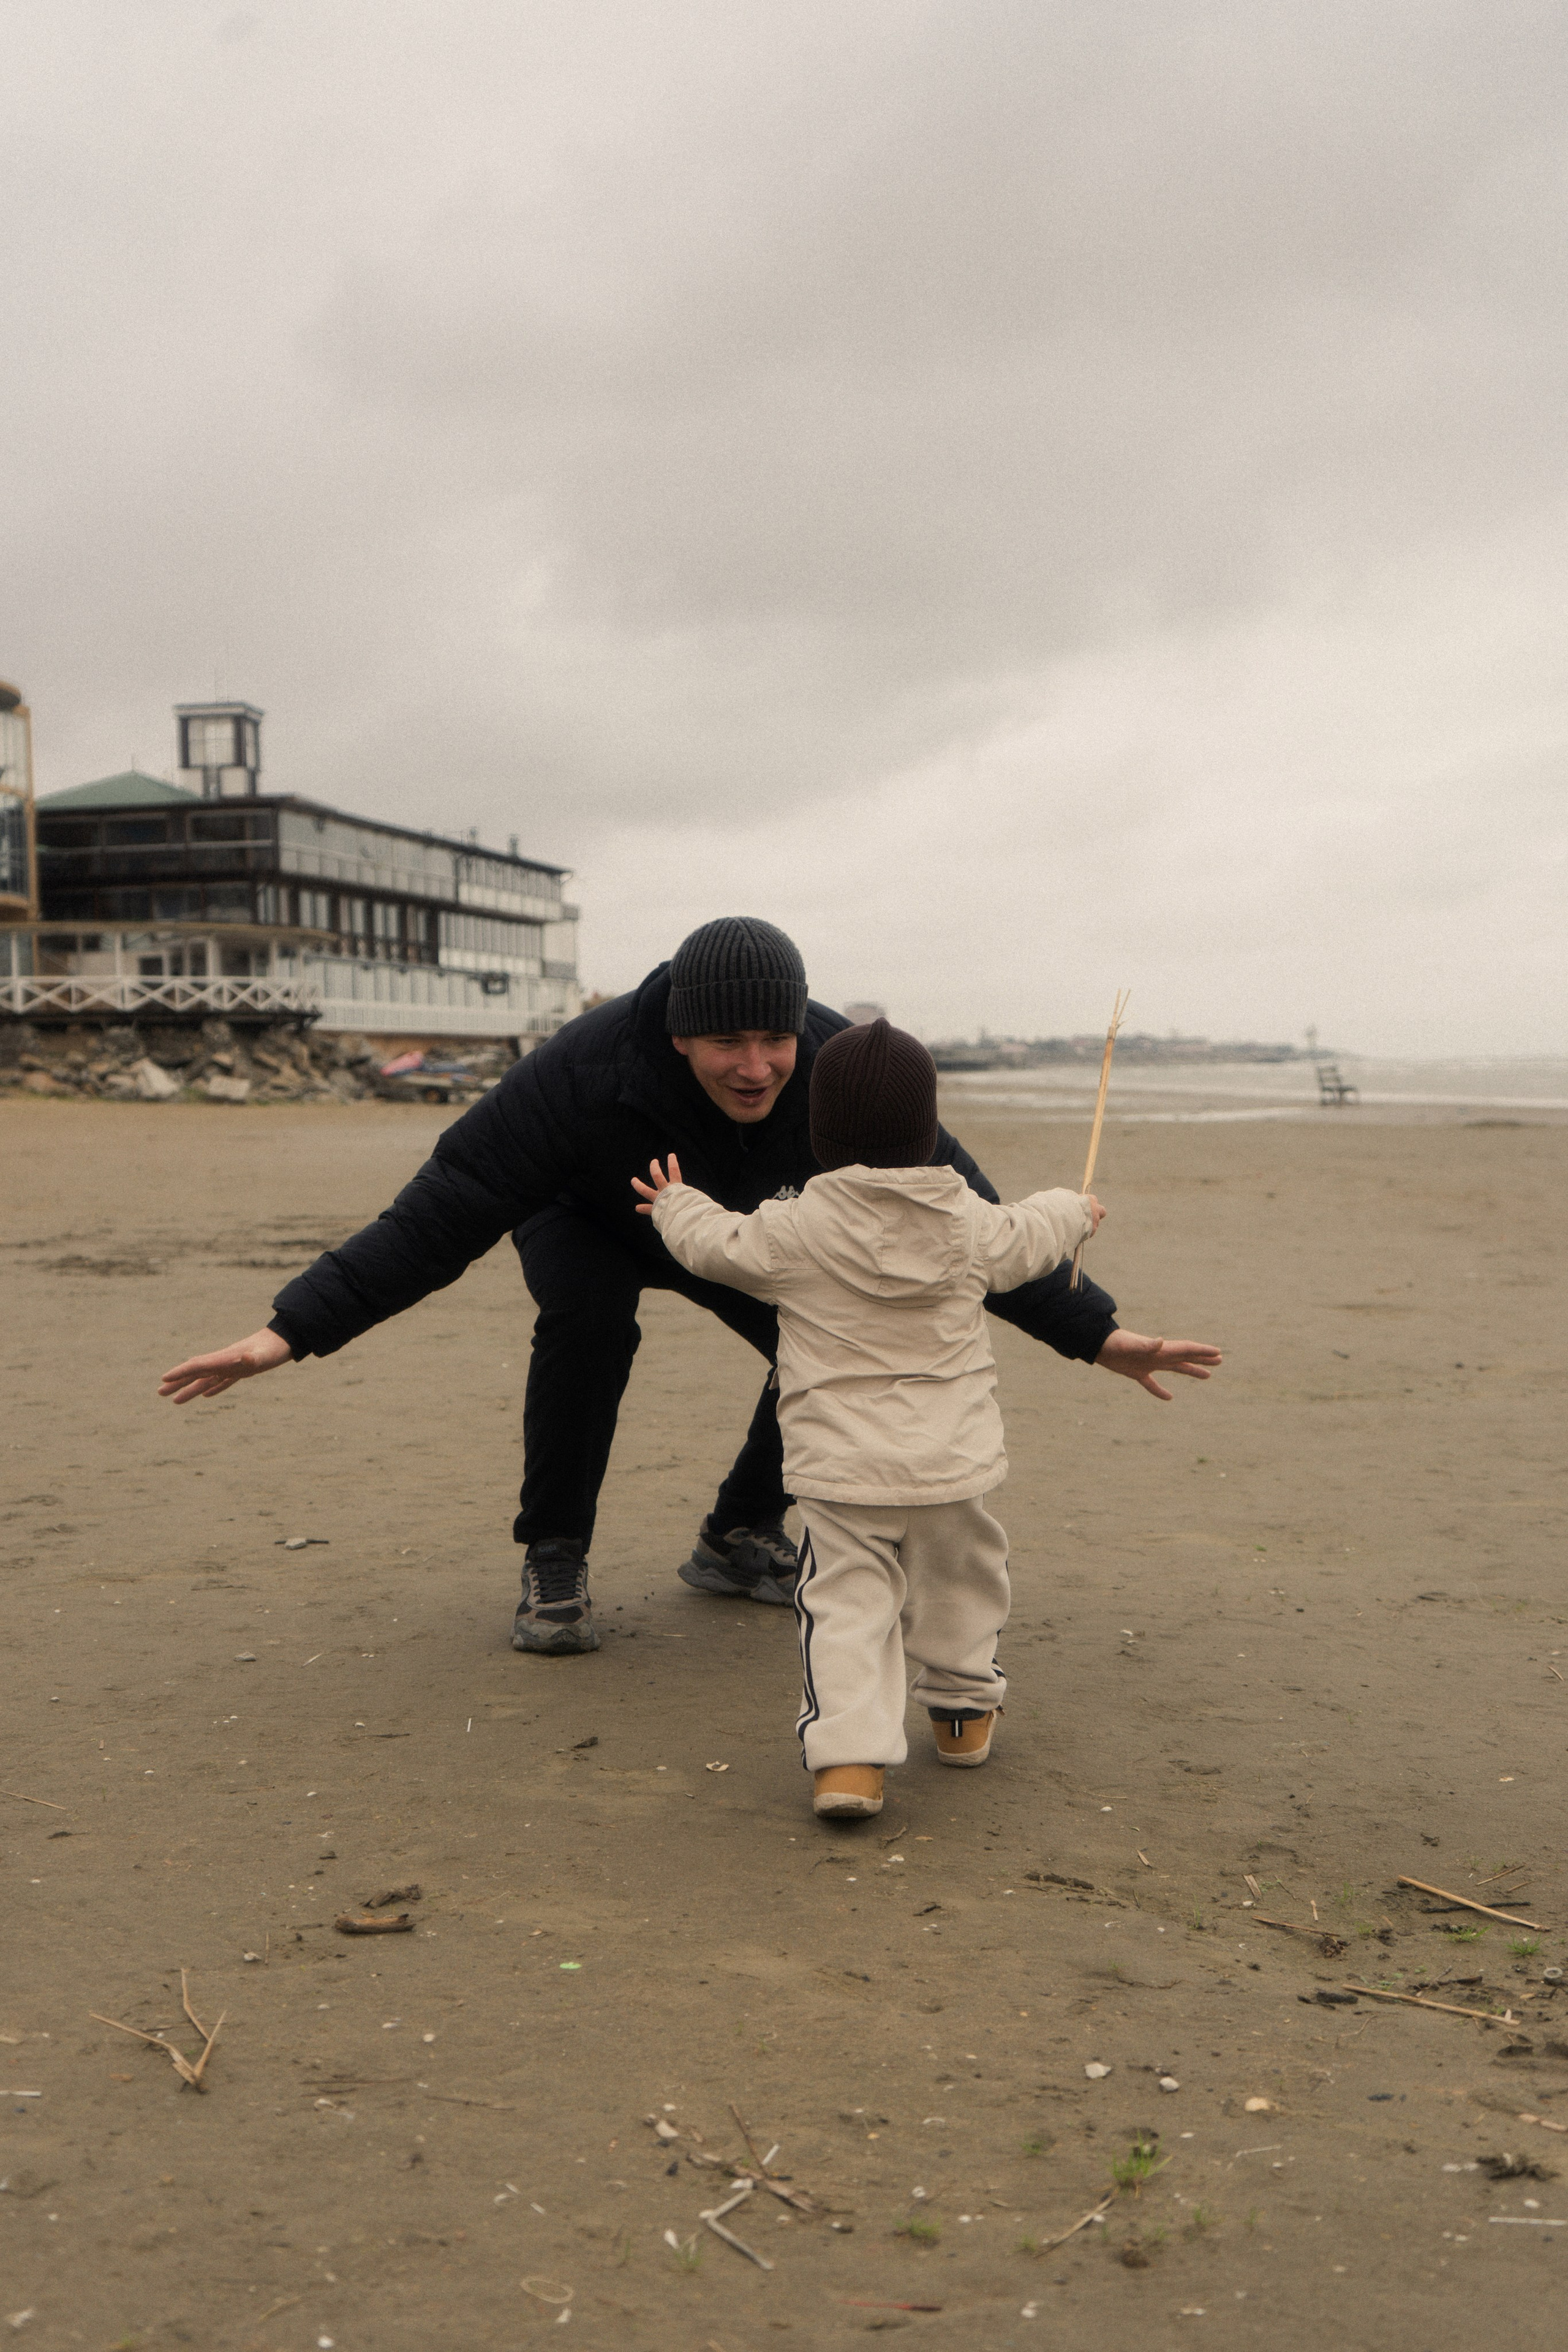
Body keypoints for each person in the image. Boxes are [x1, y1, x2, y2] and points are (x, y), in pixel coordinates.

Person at [159, 916, 1219, 1659]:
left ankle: (737, 1534)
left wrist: (1099, 1334)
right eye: (727, 1044)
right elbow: (444, 1210)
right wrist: (288, 1332)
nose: (756, 1067)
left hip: (743, 1235)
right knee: (587, 1324)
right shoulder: (581, 1076)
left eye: (772, 1042)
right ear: (678, 1035)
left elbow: (954, 1230)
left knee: (835, 1331)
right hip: (590, 1216)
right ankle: (555, 1558)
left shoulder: (834, 1066)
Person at [638, 1017, 1214, 1820]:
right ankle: (964, 1714)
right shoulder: (971, 1224)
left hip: (842, 1472)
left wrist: (673, 1202)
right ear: (926, 1128)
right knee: (962, 1585)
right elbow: (1035, 1231)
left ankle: (848, 1763)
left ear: (821, 1130)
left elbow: (711, 1244)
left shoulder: (791, 1229)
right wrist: (1079, 1211)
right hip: (952, 1463)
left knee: (846, 1605)